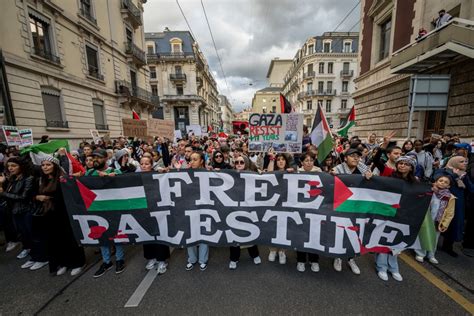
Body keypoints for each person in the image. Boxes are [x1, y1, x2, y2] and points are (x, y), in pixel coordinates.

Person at [36, 156, 86, 275]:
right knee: (56, 240)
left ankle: (78, 263)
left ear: (55, 166)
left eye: (48, 165)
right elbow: (36, 194)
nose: (45, 167)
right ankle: (64, 262)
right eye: (43, 165)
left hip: (64, 214)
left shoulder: (63, 179)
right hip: (49, 215)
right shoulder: (42, 180)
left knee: (69, 239)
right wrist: (38, 197)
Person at [376, 156, 417, 282]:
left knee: (397, 240)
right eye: (400, 163)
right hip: (388, 212)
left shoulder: (415, 182)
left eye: (406, 164)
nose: (402, 166)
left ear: (411, 168)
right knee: (384, 239)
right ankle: (381, 267)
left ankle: (393, 267)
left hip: (404, 214)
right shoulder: (390, 178)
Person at [331, 148, 371, 275]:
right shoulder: (338, 169)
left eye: (357, 156)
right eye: (352, 156)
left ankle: (351, 258)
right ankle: (337, 257)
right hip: (342, 204)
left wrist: (371, 177)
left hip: (358, 206)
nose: (355, 158)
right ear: (345, 158)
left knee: (355, 231)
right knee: (340, 230)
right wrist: (331, 176)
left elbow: (375, 181)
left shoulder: (363, 168)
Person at [87, 149, 125, 278]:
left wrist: (114, 178)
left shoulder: (115, 171)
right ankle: (106, 261)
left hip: (114, 209)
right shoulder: (90, 173)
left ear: (105, 158)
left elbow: (125, 185)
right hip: (97, 210)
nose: (95, 160)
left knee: (117, 234)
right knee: (101, 235)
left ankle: (120, 259)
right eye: (93, 158)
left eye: (98, 157)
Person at [0, 157, 37, 263]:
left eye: (14, 166)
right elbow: (6, 194)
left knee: (30, 232)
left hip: (26, 210)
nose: (10, 168)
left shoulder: (29, 178)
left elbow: (23, 197)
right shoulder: (12, 179)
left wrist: (4, 193)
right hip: (14, 211)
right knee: (21, 232)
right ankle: (27, 249)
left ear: (21, 166)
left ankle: (37, 254)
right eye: (9, 166)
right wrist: (2, 183)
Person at [228, 155, 261, 270]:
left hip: (249, 209)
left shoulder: (253, 175)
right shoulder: (228, 175)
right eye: (236, 162)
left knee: (251, 233)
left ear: (246, 163)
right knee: (234, 235)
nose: (239, 164)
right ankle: (234, 258)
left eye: (241, 162)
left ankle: (255, 255)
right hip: (234, 209)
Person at [436, 156, 474, 257]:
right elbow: (437, 180)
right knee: (437, 222)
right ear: (454, 162)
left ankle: (448, 246)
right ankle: (430, 245)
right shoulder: (443, 171)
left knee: (455, 223)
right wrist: (455, 176)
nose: (465, 163)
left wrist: (463, 178)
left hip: (458, 203)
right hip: (442, 202)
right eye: (461, 162)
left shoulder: (464, 174)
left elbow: (471, 188)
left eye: (466, 161)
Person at [138, 156, 170, 274]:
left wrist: (163, 172)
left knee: (160, 235)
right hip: (144, 211)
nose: (144, 166)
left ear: (151, 165)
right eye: (142, 163)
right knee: (147, 235)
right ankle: (151, 258)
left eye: (147, 163)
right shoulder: (136, 177)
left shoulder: (158, 175)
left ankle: (162, 260)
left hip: (159, 211)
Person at [414, 174, 455, 264]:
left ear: (448, 186)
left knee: (434, 238)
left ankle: (431, 255)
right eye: (440, 181)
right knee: (423, 236)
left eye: (446, 182)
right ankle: (421, 253)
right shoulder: (430, 191)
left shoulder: (450, 197)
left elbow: (450, 213)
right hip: (427, 219)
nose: (443, 183)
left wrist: (445, 223)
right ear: (436, 182)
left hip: (438, 221)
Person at [266, 152, 294, 264]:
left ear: (286, 162)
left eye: (283, 159)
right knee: (273, 226)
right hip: (274, 204)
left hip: (287, 205)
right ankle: (272, 250)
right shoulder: (274, 171)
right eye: (278, 160)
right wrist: (272, 159)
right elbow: (269, 173)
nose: (281, 161)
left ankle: (282, 251)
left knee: (285, 228)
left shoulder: (292, 172)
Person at [296, 152, 321, 273]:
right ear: (302, 162)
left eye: (311, 160)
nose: (309, 163)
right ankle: (300, 260)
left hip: (315, 209)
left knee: (314, 234)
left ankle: (314, 260)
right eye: (306, 160)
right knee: (300, 233)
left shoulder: (320, 173)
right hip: (301, 208)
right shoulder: (296, 172)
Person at [186, 152, 209, 271]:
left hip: (204, 208)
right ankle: (192, 259)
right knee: (190, 234)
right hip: (189, 209)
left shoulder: (208, 173)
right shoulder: (184, 174)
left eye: (195, 159)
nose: (192, 161)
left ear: (201, 161)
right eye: (191, 159)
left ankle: (202, 260)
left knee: (204, 234)